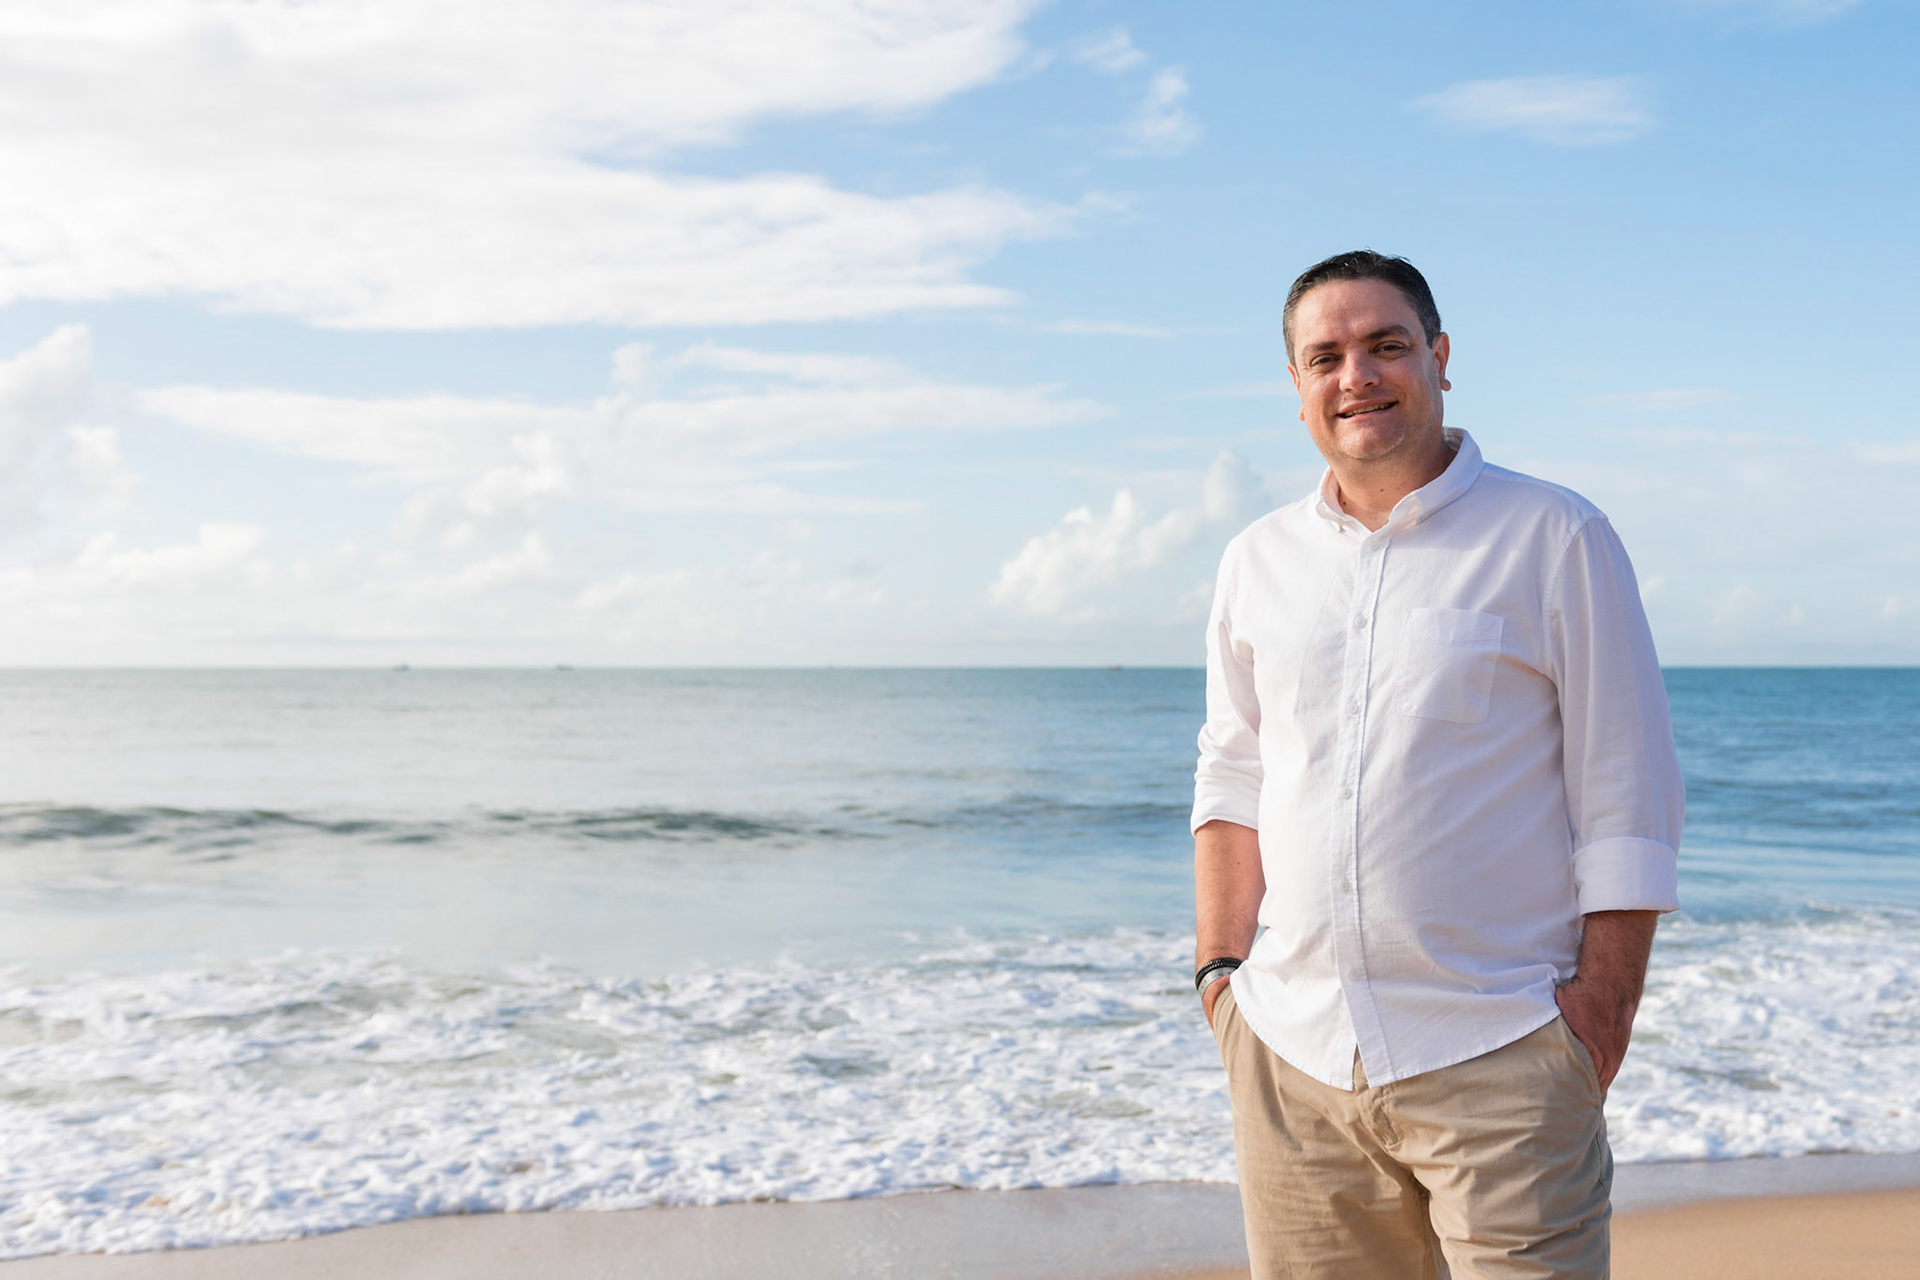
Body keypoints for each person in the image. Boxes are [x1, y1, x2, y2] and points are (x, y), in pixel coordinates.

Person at [1191, 250, 1682, 1280]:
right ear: (1296, 389)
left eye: (1385, 345)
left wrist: (1595, 1022)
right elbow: (1232, 774)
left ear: (1440, 358)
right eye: (1325, 356)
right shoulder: (1256, 561)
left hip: (1499, 1048)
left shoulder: (1554, 534)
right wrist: (1219, 973)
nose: (1355, 375)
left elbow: (1626, 793)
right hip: (1292, 1054)